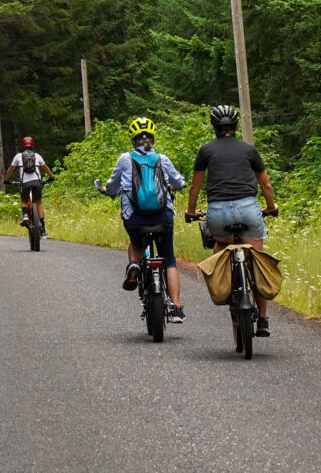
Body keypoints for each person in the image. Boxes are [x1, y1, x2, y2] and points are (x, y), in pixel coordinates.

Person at [184, 104, 279, 336]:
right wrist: (271, 207)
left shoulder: (206, 151)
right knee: (256, 261)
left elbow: (195, 186)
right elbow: (265, 183)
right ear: (236, 126)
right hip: (248, 208)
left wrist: (191, 211)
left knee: (220, 244)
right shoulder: (249, 149)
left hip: (218, 212)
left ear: (214, 127)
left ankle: (225, 288)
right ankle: (263, 320)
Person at [94, 117, 187, 322]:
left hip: (135, 218)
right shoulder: (162, 159)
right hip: (163, 217)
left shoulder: (125, 159)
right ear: (152, 138)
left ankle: (134, 264)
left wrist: (105, 190)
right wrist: (176, 186)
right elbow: (179, 183)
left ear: (133, 139)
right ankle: (176, 308)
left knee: (136, 241)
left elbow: (112, 187)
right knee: (169, 259)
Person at [3, 136, 54, 237]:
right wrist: (51, 177)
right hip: (37, 183)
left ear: (22, 145)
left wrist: (6, 180)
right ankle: (43, 229)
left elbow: (10, 170)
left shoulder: (18, 156)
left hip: (25, 184)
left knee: (24, 200)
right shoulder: (37, 156)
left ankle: (25, 215)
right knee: (38, 203)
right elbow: (46, 168)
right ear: (33, 145)